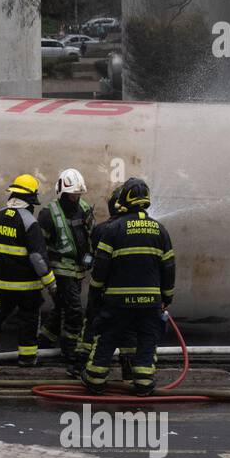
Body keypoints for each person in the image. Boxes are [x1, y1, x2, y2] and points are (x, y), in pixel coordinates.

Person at [80, 177, 176, 396]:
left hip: (117, 301)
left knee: (107, 337)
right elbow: (169, 267)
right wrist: (166, 297)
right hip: (150, 303)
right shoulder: (160, 231)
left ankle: (95, 379)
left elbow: (101, 267)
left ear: (124, 200)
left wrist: (96, 293)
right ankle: (142, 382)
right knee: (146, 340)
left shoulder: (113, 229)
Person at [0, 174, 56, 367]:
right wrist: (51, 283)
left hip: (0, 284)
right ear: (30, 199)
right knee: (28, 321)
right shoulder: (30, 222)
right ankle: (27, 359)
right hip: (26, 287)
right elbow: (37, 258)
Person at [72, 184, 136, 380]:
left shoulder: (101, 230)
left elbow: (92, 259)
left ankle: (80, 366)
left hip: (102, 290)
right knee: (127, 331)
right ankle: (129, 371)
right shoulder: (130, 230)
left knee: (92, 326)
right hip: (126, 292)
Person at [38, 167, 95, 359]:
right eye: (72, 194)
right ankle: (70, 350)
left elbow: (90, 236)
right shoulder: (48, 214)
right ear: (62, 192)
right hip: (61, 270)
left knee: (61, 306)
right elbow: (41, 247)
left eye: (78, 194)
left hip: (79, 269)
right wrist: (45, 275)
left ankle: (44, 340)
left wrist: (90, 256)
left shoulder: (85, 208)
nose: (75, 197)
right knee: (74, 310)